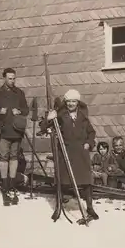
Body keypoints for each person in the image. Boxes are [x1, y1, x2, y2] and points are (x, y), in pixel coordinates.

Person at [43, 89, 99, 221]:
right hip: (65, 152)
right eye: (68, 101)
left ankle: (90, 207)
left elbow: (91, 133)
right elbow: (44, 128)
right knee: (62, 180)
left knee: (86, 181)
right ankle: (59, 206)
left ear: (78, 102)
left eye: (74, 101)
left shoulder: (83, 117)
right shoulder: (60, 116)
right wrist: (49, 119)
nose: (71, 104)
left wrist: (89, 144)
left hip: (81, 152)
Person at [0, 68, 29, 206]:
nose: (12, 81)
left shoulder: (19, 93)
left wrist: (20, 111)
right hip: (3, 130)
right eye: (10, 78)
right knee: (4, 157)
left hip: (16, 130)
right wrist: (0, 111)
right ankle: (5, 185)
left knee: (14, 157)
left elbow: (26, 110)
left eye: (14, 78)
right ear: (4, 78)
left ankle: (12, 185)